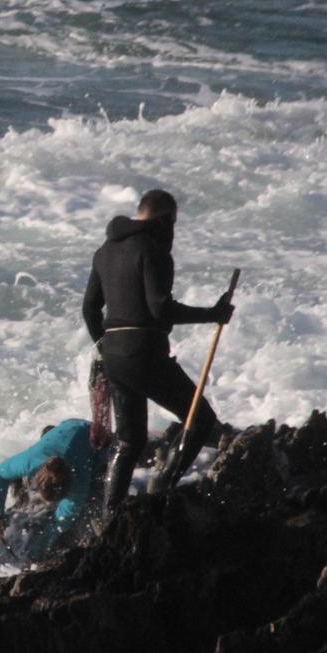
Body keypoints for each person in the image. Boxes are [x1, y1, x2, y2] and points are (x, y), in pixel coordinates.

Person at [82, 188, 235, 507]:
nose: (173, 232)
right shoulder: (153, 249)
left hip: (113, 356)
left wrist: (104, 344)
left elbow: (89, 309)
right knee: (201, 420)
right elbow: (160, 309)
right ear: (165, 220)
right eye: (174, 223)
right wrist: (212, 314)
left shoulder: (104, 251)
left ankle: (112, 516)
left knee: (130, 441)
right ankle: (163, 482)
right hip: (144, 353)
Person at [0, 418, 108, 564]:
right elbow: (0, 474)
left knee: (91, 501)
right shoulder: (29, 462)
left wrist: (33, 556)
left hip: (96, 437)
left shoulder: (79, 483)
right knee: (19, 478)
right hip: (66, 428)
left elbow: (58, 523)